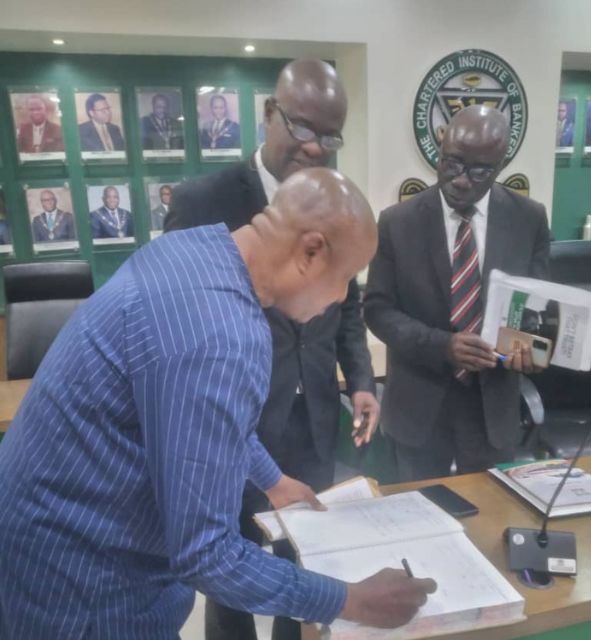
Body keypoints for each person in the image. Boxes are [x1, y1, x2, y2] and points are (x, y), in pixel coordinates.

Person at [0, 167, 437, 639]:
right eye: (347, 278)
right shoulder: (222, 336)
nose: (340, 297)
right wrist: (352, 602)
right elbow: (206, 554)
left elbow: (194, 416)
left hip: (40, 540)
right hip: (86, 589)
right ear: (311, 251)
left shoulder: (194, 249)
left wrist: (272, 479)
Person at [165, 58, 380, 640]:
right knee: (227, 564)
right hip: (234, 421)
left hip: (310, 418)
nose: (315, 148)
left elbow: (347, 308)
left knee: (300, 557)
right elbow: (185, 341)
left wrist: (359, 379)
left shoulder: (336, 203)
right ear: (269, 115)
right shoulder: (200, 203)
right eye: (303, 128)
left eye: (330, 136)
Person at [364, 105, 551, 482]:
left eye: (479, 170)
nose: (461, 180)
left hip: (492, 407)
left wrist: (534, 348)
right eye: (451, 163)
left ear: (501, 165)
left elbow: (539, 308)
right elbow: (377, 309)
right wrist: (441, 346)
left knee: (490, 517)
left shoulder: (529, 218)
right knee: (416, 517)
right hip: (419, 404)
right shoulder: (397, 222)